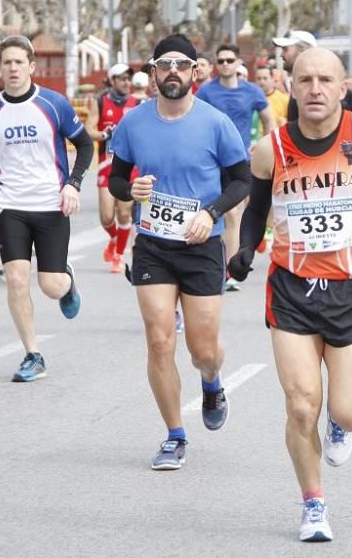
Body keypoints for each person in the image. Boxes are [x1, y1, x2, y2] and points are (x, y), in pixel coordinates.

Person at [227, 47, 352, 542]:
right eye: (305, 79)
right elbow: (256, 208)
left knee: (349, 411)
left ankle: (339, 424)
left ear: (342, 88)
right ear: (291, 86)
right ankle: (313, 504)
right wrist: (248, 248)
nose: (315, 88)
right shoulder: (270, 149)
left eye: (324, 80)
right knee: (299, 405)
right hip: (291, 289)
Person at [107, 34, 251, 470]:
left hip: (201, 246)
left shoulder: (215, 122)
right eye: (164, 65)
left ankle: (211, 382)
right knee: (158, 339)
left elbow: (242, 180)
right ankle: (174, 434)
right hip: (153, 245)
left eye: (181, 65)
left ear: (195, 72)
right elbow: (117, 178)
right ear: (153, 74)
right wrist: (129, 189)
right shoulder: (134, 122)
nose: (173, 72)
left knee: (203, 349)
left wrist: (212, 213)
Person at [0, 34, 93, 382]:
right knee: (16, 279)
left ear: (31, 66)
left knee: (50, 286)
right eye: (6, 62)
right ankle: (32, 354)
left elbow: (84, 146)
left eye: (18, 62)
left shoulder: (53, 104)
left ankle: (67, 282)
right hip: (12, 206)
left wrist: (73, 184)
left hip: (51, 205)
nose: (12, 68)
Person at [196, 44, 274, 290]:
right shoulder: (206, 92)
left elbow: (269, 119)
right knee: (219, 211)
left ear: (239, 62)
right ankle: (217, 266)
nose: (225, 64)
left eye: (230, 60)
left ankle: (231, 266)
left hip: (240, 161)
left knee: (236, 212)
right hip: (211, 161)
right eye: (221, 61)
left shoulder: (252, 91)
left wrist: (263, 144)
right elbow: (193, 119)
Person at [89, 64, 138, 273]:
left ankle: (118, 255)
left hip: (131, 166)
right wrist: (103, 134)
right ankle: (114, 238)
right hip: (106, 165)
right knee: (107, 217)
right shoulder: (100, 101)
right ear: (112, 80)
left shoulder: (137, 103)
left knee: (125, 213)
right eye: (122, 78)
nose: (126, 82)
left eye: (129, 79)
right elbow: (89, 129)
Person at [273, 30, 318, 122]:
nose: (281, 55)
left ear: (303, 51)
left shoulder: (316, 88)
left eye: (285, 49)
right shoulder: (298, 84)